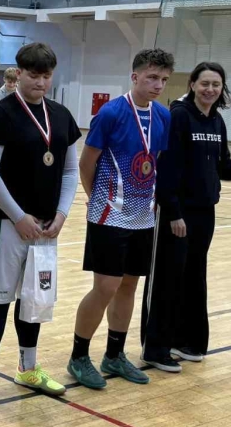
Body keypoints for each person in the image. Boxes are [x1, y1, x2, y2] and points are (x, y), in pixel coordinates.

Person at [143, 62, 231, 371]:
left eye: (216, 84)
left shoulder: (216, 121)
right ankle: (155, 348)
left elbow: (223, 167)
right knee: (168, 279)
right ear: (192, 84)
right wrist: (173, 212)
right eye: (205, 83)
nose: (210, 89)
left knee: (194, 278)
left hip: (205, 213)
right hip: (177, 214)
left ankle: (187, 341)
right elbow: (167, 169)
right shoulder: (179, 116)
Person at [0, 43, 80, 407]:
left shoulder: (61, 116)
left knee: (34, 299)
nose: (41, 83)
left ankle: (28, 368)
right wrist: (18, 216)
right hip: (5, 224)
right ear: (18, 73)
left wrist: (61, 214)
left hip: (46, 227)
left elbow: (70, 170)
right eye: (34, 75)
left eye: (46, 76)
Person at [68, 47, 174, 390]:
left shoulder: (163, 116)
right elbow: (86, 162)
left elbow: (154, 161)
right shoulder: (111, 113)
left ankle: (114, 354)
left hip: (143, 217)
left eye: (164, 79)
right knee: (106, 287)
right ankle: (78, 357)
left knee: (129, 286)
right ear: (135, 76)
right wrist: (96, 198)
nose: (158, 85)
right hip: (109, 216)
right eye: (152, 77)